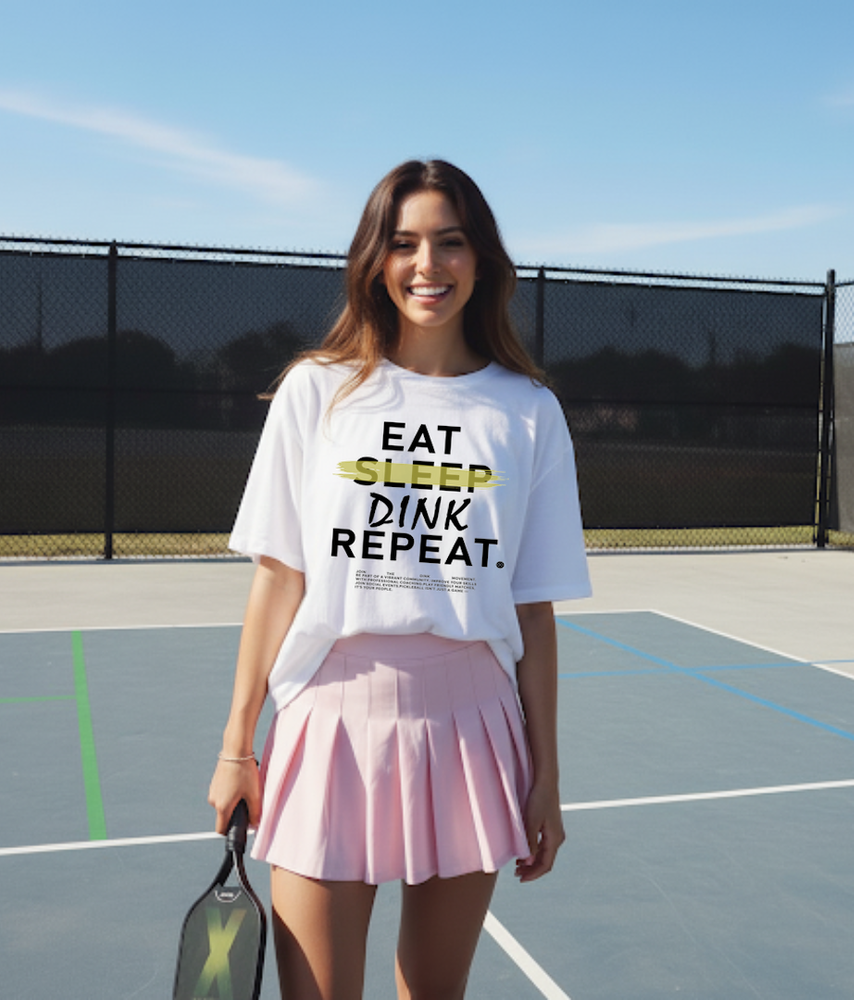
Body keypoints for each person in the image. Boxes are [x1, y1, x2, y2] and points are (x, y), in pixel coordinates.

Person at [208, 159, 591, 1000]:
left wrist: (547, 777)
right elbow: (278, 579)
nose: (428, 265)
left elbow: (534, 612)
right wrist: (238, 746)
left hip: (473, 726)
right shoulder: (316, 391)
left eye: (450, 243)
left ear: (481, 260)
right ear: (375, 260)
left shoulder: (529, 411)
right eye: (405, 243)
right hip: (329, 722)